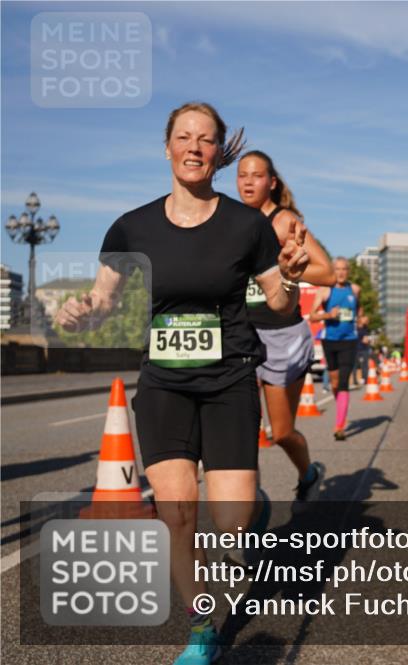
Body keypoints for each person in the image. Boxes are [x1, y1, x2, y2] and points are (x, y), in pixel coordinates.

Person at [55, 102, 310, 665]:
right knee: (175, 514)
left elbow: (278, 301)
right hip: (165, 384)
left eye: (207, 139)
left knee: (230, 523)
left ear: (220, 152)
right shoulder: (131, 226)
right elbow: (103, 303)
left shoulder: (246, 225)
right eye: (184, 137)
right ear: (167, 146)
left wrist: (289, 278)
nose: (195, 147)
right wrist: (81, 313)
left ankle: (252, 511)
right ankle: (201, 628)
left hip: (230, 380)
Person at [237, 150, 331, 510]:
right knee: (242, 432)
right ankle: (250, 512)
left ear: (271, 182)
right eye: (242, 175)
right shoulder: (232, 221)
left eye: (256, 175)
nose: (247, 181)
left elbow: (326, 272)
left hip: (283, 336)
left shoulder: (283, 221)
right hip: (243, 335)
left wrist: (284, 270)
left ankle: (308, 475)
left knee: (281, 432)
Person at [309, 257, 361, 441]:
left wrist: (362, 320)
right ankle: (341, 407)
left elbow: (358, 311)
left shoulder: (354, 290)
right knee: (335, 382)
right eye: (337, 269)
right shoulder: (325, 291)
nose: (340, 272)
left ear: (348, 271)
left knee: (344, 381)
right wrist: (329, 315)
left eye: (344, 269)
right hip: (330, 340)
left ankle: (339, 425)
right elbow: (313, 316)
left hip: (350, 340)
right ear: (333, 270)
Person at [353, 314, 373, 387]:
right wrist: (369, 340)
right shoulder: (363, 329)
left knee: (355, 365)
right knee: (364, 365)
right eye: (365, 318)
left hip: (356, 348)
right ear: (360, 320)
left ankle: (356, 380)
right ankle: (364, 379)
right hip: (362, 348)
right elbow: (365, 340)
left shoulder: (357, 328)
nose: (366, 320)